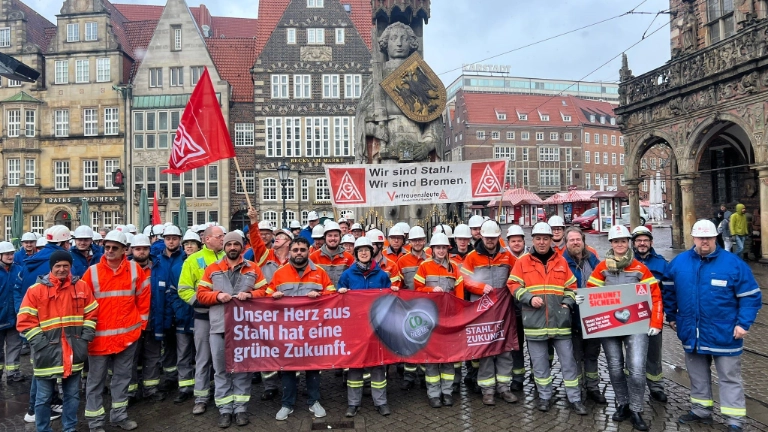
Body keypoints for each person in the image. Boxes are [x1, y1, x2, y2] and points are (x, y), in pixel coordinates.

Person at [665, 220, 761, 432]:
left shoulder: (733, 264)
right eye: (700, 238)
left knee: (729, 377)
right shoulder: (679, 263)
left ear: (715, 238)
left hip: (726, 332)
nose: (704, 241)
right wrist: (671, 317)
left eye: (708, 237)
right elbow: (668, 291)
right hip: (692, 332)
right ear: (694, 239)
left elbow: (751, 297)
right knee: (697, 374)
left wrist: (744, 324)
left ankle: (734, 420)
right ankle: (701, 410)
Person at [585, 225, 663, 431]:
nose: (620, 244)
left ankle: (636, 410)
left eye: (623, 241)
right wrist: (585, 306)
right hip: (610, 327)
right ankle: (623, 404)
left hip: (636, 325)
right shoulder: (601, 267)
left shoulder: (640, 268)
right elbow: (592, 295)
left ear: (628, 243)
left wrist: (656, 323)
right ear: (611, 244)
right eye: (616, 241)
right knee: (615, 368)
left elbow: (655, 295)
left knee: (636, 369)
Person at [508, 222, 587, 415]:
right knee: (540, 364)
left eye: (545, 238)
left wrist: (567, 304)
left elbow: (572, 288)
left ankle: (574, 399)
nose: (542, 242)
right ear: (533, 240)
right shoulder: (522, 262)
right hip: (535, 323)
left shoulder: (560, 261)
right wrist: (528, 298)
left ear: (551, 240)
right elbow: (513, 285)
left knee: (568, 363)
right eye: (538, 238)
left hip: (560, 323)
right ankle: (544, 397)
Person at [17, 250, 98, 432]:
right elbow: (25, 321)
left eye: (65, 266)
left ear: (70, 267)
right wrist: (41, 345)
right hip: (47, 354)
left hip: (73, 352)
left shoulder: (82, 287)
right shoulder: (35, 290)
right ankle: (43, 429)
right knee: (43, 398)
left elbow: (92, 314)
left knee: (73, 396)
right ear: (51, 268)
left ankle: (69, 429)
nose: (62, 269)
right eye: (58, 266)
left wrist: (84, 340)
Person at [197, 232, 267, 428]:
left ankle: (241, 409)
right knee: (220, 369)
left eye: (237, 244)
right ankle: (225, 409)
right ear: (225, 247)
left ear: (242, 247)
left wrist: (251, 294)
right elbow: (201, 294)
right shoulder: (212, 269)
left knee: (242, 369)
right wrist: (217, 296)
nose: (233, 248)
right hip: (219, 327)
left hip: (244, 328)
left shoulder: (253, 268)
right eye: (229, 244)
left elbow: (266, 291)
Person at [83, 230, 150, 432]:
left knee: (122, 379)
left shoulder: (135, 270)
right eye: (107, 247)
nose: (110, 251)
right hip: (99, 339)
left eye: (114, 248)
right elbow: (84, 304)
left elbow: (144, 301)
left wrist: (140, 327)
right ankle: (95, 423)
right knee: (95, 382)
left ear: (124, 250)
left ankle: (119, 416)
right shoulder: (93, 272)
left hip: (127, 337)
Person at [266, 237, 335, 421]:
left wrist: (320, 295)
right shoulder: (280, 273)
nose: (299, 253)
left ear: (308, 251)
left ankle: (314, 401)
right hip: (288, 330)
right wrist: (274, 296)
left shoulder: (319, 272)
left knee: (313, 367)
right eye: (295, 250)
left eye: (302, 250)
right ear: (290, 251)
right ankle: (287, 404)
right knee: (288, 367)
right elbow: (266, 296)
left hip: (313, 329)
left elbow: (333, 294)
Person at [17, 225, 71, 424]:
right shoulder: (57, 263)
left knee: (40, 371)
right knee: (44, 373)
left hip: (34, 325)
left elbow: (19, 290)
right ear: (64, 243)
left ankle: (44, 405)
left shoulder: (31, 261)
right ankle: (34, 410)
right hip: (51, 328)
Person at [462, 220, 518, 405]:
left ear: (498, 238)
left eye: (494, 238)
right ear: (482, 236)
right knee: (485, 349)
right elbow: (464, 280)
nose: (490, 241)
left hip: (503, 310)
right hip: (482, 310)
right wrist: (479, 287)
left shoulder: (507, 256)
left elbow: (517, 275)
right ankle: (487, 390)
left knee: (504, 348)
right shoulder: (471, 257)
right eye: (487, 237)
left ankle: (504, 388)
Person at [337, 237, 393, 417]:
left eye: (366, 250)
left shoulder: (382, 275)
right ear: (355, 254)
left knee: (378, 366)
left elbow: (389, 300)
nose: (363, 253)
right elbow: (338, 302)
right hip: (355, 328)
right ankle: (353, 404)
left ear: (372, 253)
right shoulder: (347, 275)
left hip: (377, 328)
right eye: (360, 250)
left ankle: (381, 402)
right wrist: (341, 294)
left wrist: (395, 292)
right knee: (355, 366)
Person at [177, 225, 226, 415]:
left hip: (226, 316)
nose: (223, 239)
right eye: (219, 236)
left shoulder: (228, 256)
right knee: (203, 358)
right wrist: (202, 301)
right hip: (203, 316)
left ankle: (224, 395)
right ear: (207, 239)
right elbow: (184, 289)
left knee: (224, 358)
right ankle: (201, 398)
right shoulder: (192, 260)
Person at [413, 233, 465, 408]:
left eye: (444, 248)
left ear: (447, 249)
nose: (441, 250)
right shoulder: (424, 266)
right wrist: (429, 289)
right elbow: (417, 290)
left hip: (449, 319)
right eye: (438, 248)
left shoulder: (454, 267)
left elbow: (459, 293)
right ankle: (434, 393)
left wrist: (459, 316)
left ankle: (447, 392)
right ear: (432, 249)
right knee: (432, 357)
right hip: (430, 319)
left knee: (449, 357)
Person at [561, 227, 605, 405]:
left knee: (592, 354)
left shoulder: (592, 259)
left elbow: (604, 279)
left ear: (583, 240)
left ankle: (593, 387)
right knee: (575, 356)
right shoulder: (561, 262)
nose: (575, 243)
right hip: (572, 318)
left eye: (578, 239)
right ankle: (576, 388)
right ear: (566, 243)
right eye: (571, 240)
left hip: (593, 317)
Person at [151, 226, 193, 404]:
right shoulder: (157, 261)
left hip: (183, 310)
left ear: (179, 240)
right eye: (168, 238)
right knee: (168, 349)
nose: (171, 241)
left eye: (174, 238)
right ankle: (170, 379)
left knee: (185, 351)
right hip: (164, 311)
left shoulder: (186, 260)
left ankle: (187, 385)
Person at [631, 226, 669, 403]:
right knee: (632, 354)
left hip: (654, 316)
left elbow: (668, 291)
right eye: (639, 240)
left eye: (645, 240)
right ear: (634, 243)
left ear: (651, 242)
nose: (642, 243)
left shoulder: (661, 263)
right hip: (630, 318)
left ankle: (656, 387)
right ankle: (631, 386)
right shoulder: (627, 262)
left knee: (654, 353)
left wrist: (668, 314)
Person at [395, 226, 429, 390]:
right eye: (414, 240)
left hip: (427, 307)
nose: (417, 243)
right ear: (410, 242)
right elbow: (398, 285)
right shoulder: (402, 261)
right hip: (408, 307)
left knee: (425, 343)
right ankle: (409, 377)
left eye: (420, 240)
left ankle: (423, 375)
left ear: (424, 241)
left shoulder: (431, 257)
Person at [0, 241, 23, 382]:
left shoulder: (19, 269)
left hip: (14, 316)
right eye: (7, 254)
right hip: (1, 316)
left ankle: (12, 373)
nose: (10, 256)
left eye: (11, 253)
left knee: (15, 346)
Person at [310, 221, 354, 288]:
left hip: (342, 297)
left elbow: (353, 280)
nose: (333, 238)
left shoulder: (349, 258)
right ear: (325, 237)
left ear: (340, 237)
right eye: (330, 235)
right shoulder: (313, 257)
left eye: (336, 235)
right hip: (322, 297)